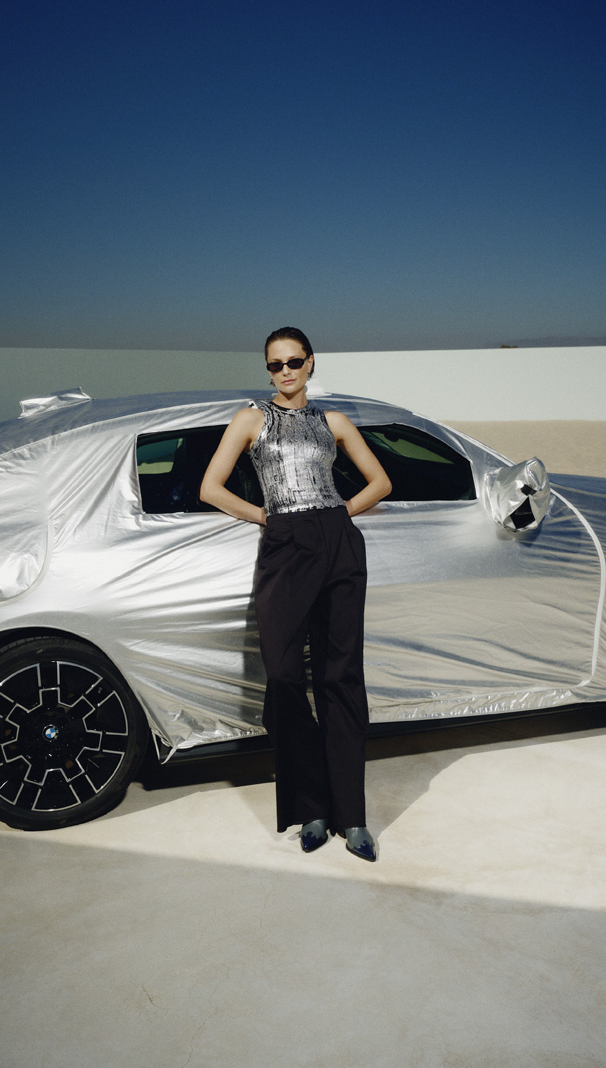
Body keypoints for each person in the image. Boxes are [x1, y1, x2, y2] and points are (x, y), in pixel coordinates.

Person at [200, 327, 391, 861]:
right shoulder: (251, 419)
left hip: (337, 542)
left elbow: (380, 482)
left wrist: (339, 515)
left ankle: (351, 816)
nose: (284, 371)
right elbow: (210, 488)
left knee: (341, 679)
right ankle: (312, 807)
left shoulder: (334, 421)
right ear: (267, 370)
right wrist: (266, 517)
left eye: (294, 361)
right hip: (284, 542)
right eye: (274, 364)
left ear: (311, 364)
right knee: (283, 677)